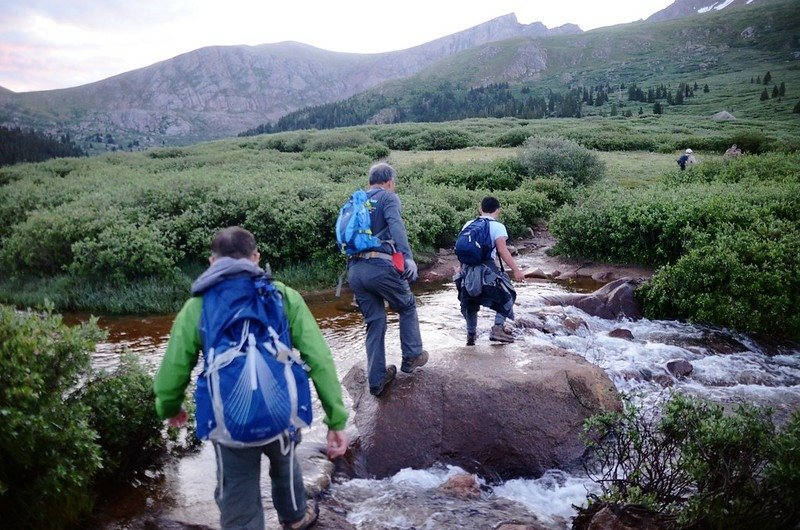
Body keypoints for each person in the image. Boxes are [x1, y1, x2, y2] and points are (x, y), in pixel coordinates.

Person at [153, 226, 348, 530]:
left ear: (211, 261)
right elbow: (319, 359)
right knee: (285, 465)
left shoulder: (198, 306)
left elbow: (172, 370)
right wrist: (336, 420)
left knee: (237, 488)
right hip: (281, 414)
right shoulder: (283, 296)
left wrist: (169, 407)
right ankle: (295, 518)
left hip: (229, 424)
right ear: (256, 257)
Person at [347, 162, 428, 397]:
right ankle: (412, 356)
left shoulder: (356, 201)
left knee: (375, 321)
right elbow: (396, 226)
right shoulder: (388, 198)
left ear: (369, 181)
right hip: (380, 267)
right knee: (407, 305)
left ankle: (376, 379)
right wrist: (408, 257)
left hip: (355, 270)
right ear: (389, 182)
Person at [455, 196, 525, 345]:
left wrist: (460, 269)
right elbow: (502, 251)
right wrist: (516, 270)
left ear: (480, 209)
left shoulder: (469, 224)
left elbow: (463, 249)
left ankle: (471, 335)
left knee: (470, 301)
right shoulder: (498, 226)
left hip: (468, 268)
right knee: (508, 293)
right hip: (488, 269)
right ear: (497, 210)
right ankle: (498, 329)